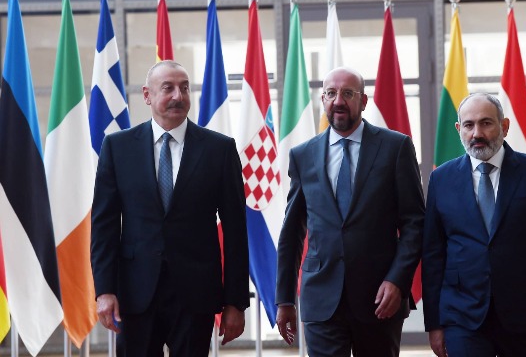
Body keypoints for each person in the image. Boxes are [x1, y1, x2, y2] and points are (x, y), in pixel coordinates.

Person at [91, 60, 249, 356]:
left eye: (184, 88)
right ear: (147, 95)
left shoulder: (219, 149)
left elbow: (236, 231)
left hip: (196, 295)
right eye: (168, 88)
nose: (178, 96)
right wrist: (104, 290)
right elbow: (104, 227)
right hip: (135, 294)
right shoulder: (117, 148)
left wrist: (235, 302)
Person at [275, 67, 425, 357]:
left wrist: (397, 280)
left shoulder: (396, 147)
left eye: (347, 93)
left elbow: (415, 223)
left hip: (380, 298)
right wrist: (284, 299)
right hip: (322, 299)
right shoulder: (303, 155)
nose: (338, 101)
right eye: (331, 93)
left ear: (363, 101)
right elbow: (292, 231)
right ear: (323, 99)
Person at [422, 92, 526, 357]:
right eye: (469, 125)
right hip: (463, 318)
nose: (477, 133)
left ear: (504, 126)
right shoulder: (441, 179)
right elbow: (433, 255)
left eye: (486, 123)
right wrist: (434, 323)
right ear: (459, 129)